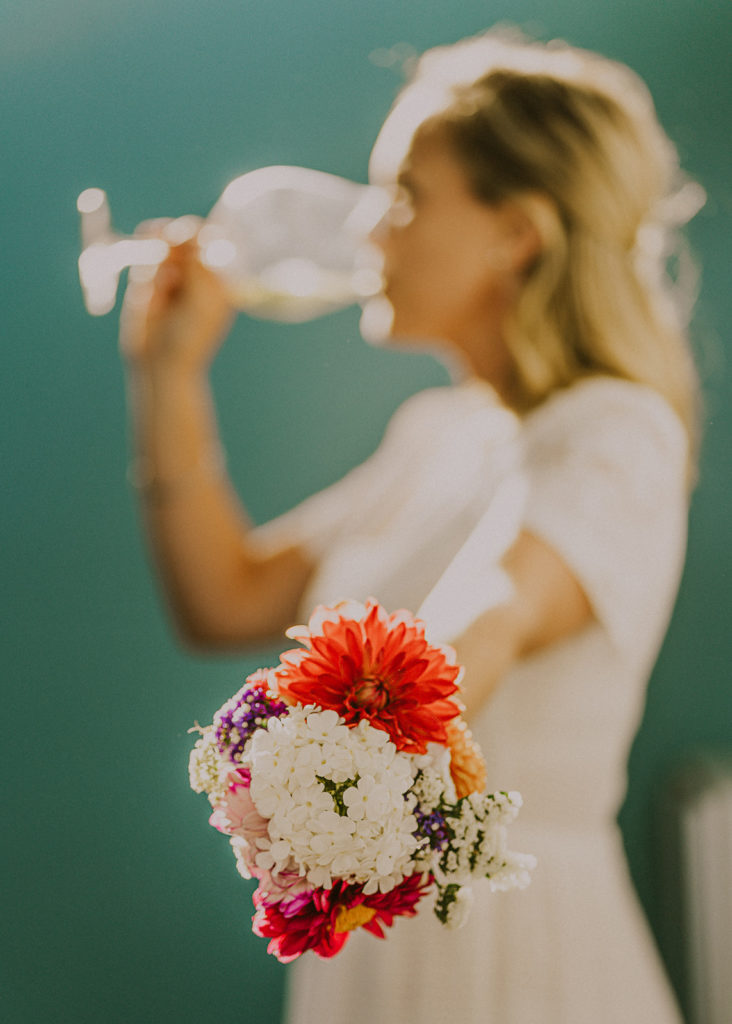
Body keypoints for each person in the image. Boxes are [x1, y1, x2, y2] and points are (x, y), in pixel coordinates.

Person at [120, 27, 703, 1024]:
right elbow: (224, 600)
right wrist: (166, 377)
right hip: (375, 966)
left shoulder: (617, 429)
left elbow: (503, 599)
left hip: (516, 965)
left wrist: (347, 748)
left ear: (516, 233)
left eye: (404, 199)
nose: (368, 235)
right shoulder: (434, 436)